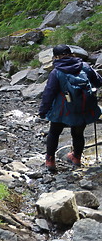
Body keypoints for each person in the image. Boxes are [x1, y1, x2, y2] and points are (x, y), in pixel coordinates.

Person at [38, 44, 102, 172]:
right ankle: (76, 158)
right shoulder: (84, 66)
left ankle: (50, 160)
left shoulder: (56, 72)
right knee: (78, 134)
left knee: (54, 133)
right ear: (71, 54)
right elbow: (99, 81)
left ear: (56, 57)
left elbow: (49, 93)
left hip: (62, 110)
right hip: (83, 108)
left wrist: (43, 111)